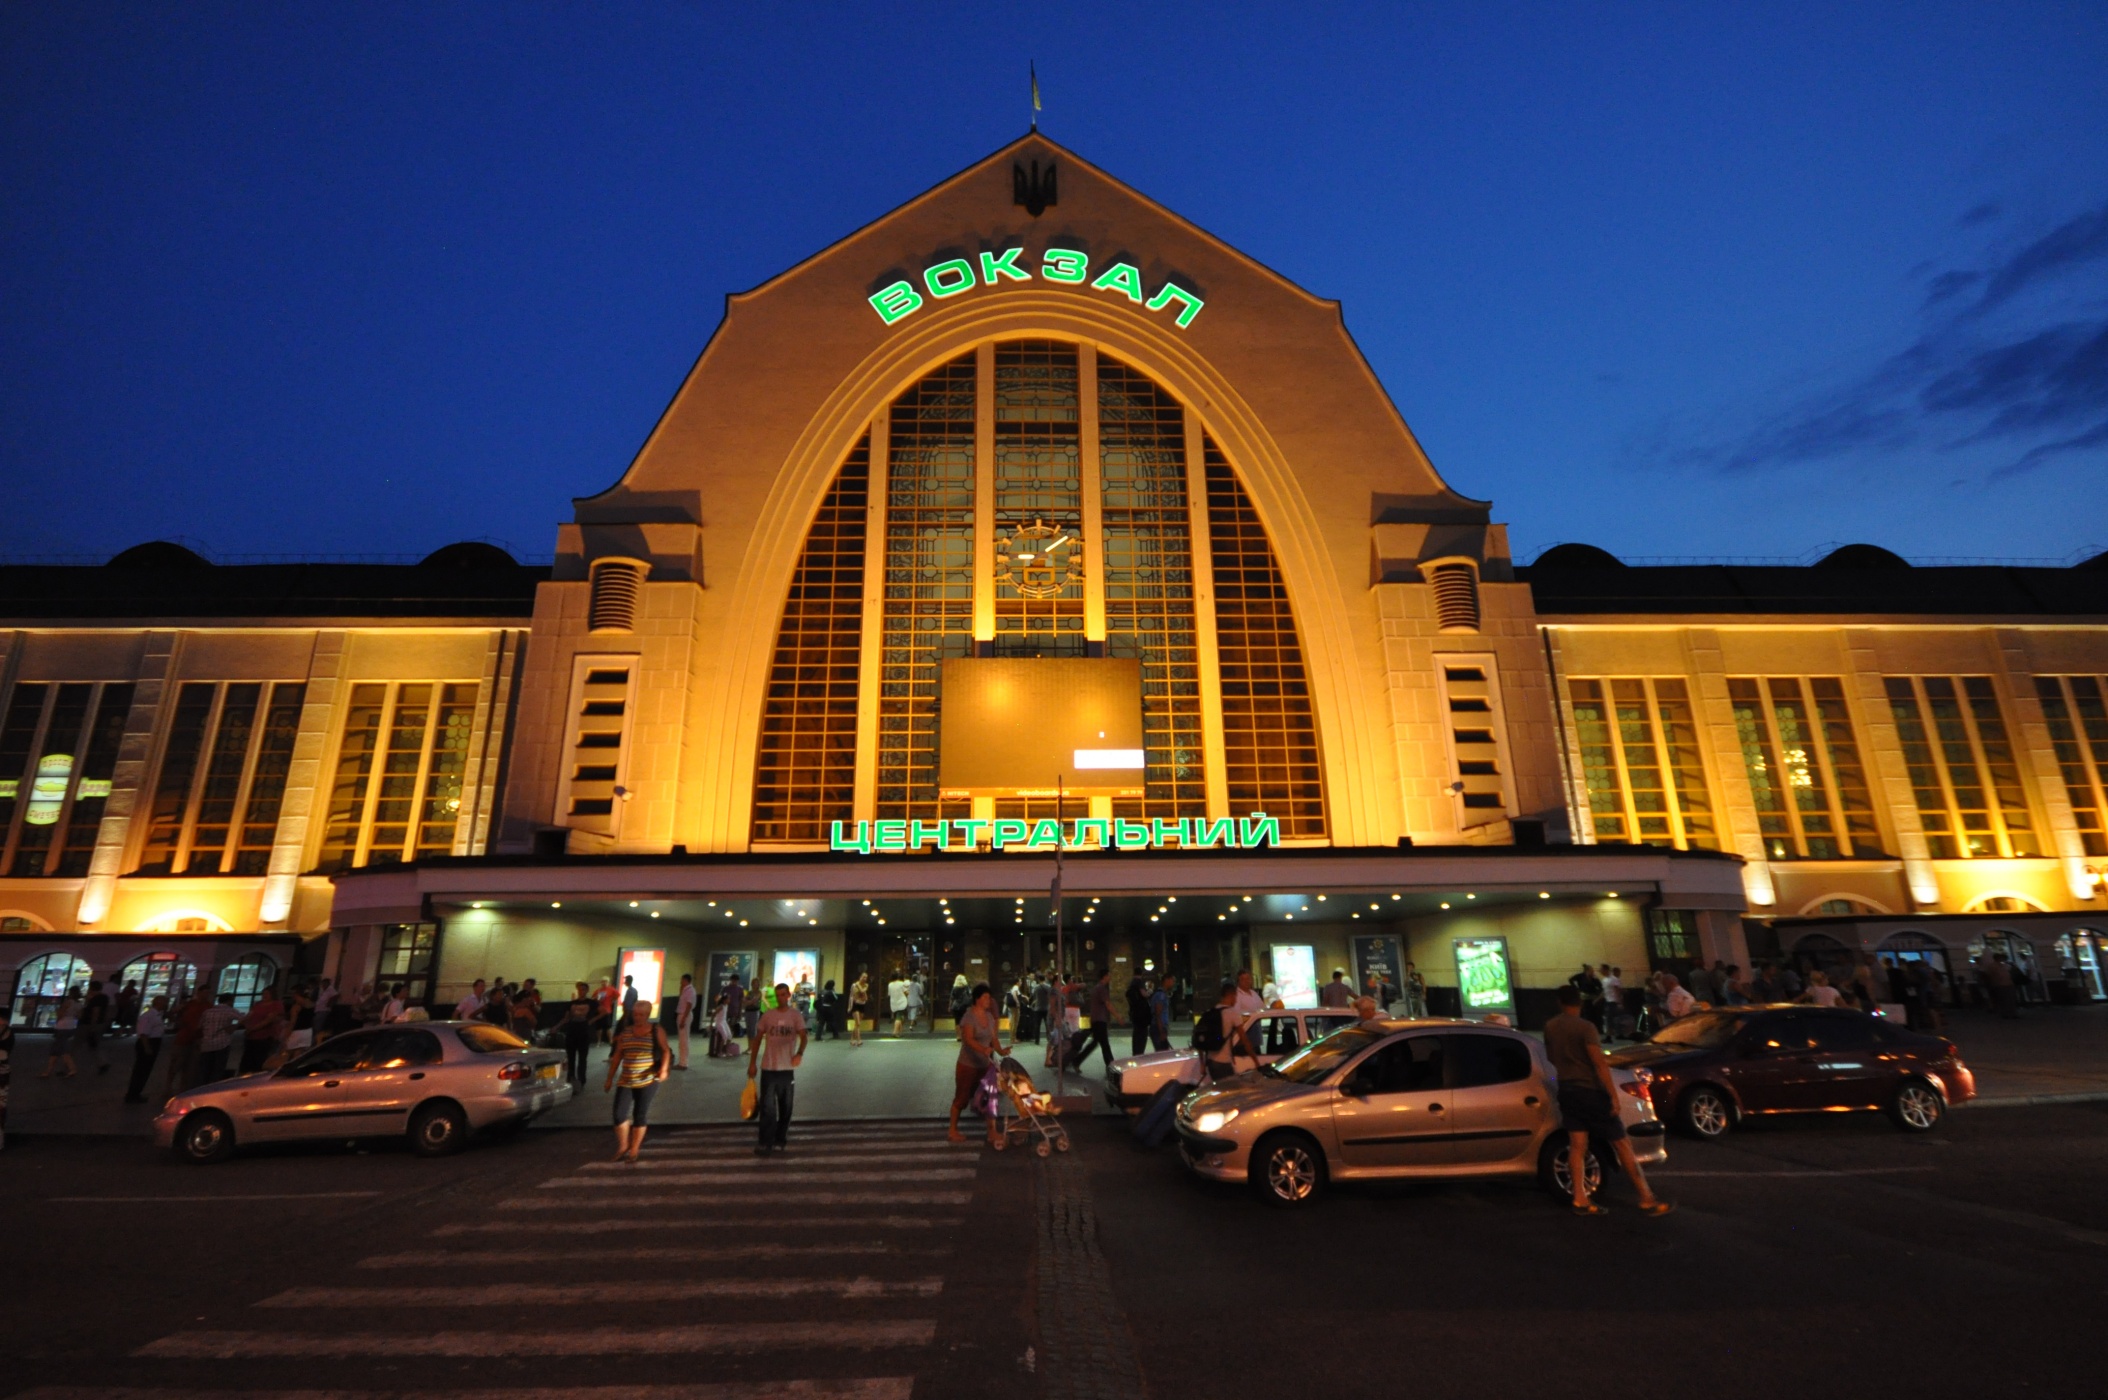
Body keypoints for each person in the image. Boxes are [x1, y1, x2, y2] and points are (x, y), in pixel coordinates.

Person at [1546, 984, 1673, 1217]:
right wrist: (1613, 1096)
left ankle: (1580, 1199)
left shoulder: (1551, 1027)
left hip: (1567, 1090)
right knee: (1621, 1143)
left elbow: (1551, 1058)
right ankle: (1646, 1197)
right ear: (1580, 1002)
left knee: (1577, 1145)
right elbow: (1599, 1063)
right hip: (1591, 1091)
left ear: (1559, 1002)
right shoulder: (1586, 1027)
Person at [604, 998, 670, 1164]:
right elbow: (618, 1055)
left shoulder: (656, 1030)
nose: (637, 1017)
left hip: (648, 1079)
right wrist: (610, 1078)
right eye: (635, 1014)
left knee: (639, 1115)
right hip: (626, 1079)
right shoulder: (626, 1032)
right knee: (619, 1115)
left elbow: (666, 1050)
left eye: (641, 1015)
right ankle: (623, 1145)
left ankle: (634, 1149)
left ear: (647, 1015)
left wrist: (663, 1070)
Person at [748, 981, 808, 1156]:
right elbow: (758, 1039)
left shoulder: (796, 1016)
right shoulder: (768, 1016)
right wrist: (752, 1063)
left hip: (787, 1069)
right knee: (767, 1108)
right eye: (778, 995)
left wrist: (799, 1053)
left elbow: (804, 1036)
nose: (781, 998)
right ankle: (765, 1141)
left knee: (786, 1107)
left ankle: (780, 1139)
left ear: (788, 995)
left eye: (784, 994)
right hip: (769, 1067)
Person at [949, 982, 1008, 1146]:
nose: (989, 1000)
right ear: (977, 999)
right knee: (961, 1099)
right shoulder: (969, 1016)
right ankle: (952, 1130)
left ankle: (992, 1132)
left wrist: (1001, 1051)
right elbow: (968, 1039)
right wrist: (983, 1049)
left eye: (989, 997)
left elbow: (993, 1038)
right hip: (967, 1065)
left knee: (990, 1098)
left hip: (985, 1066)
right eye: (986, 997)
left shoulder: (989, 1017)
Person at [125, 994, 170, 1103]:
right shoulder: (148, 1015)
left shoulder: (158, 1015)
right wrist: (147, 1047)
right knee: (141, 1069)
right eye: (164, 1002)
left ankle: (136, 1092)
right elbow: (143, 1033)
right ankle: (133, 1094)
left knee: (145, 1070)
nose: (166, 1004)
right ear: (158, 1003)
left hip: (153, 1042)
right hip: (149, 1042)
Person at [240, 983, 285, 1073]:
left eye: (267, 994)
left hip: (265, 1035)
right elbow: (250, 1015)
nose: (264, 996)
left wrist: (252, 1028)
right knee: (248, 1058)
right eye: (263, 994)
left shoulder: (276, 1004)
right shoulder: (258, 1004)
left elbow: (268, 1020)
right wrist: (243, 1023)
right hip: (252, 1035)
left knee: (260, 1058)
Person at [1076, 968, 1115, 1071]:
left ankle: (1077, 1060)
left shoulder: (1097, 988)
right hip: (1100, 1020)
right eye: (1109, 974)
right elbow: (1108, 1004)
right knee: (1104, 1044)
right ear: (1105, 976)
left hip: (1096, 1019)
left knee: (1096, 1043)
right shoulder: (1102, 989)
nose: (1110, 977)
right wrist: (1118, 1016)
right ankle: (1111, 1066)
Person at [197, 993, 239, 1083]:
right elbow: (243, 1019)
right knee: (218, 1069)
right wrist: (234, 1026)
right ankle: (213, 1088)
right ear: (229, 1001)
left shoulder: (207, 1011)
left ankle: (201, 1088)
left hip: (206, 1044)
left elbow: (200, 1026)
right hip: (222, 1043)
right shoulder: (230, 1011)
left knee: (204, 1069)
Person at [40, 989, 81, 1078]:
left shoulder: (68, 1002)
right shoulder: (79, 1004)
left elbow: (60, 1013)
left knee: (60, 1049)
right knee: (59, 1049)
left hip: (63, 1026)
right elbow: (79, 1015)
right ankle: (49, 1071)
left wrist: (57, 1021)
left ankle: (71, 1069)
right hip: (72, 1025)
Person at [561, 981, 595, 1084]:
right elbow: (567, 1017)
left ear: (587, 990)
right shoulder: (572, 1003)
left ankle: (581, 1078)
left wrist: (591, 1021)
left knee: (582, 1057)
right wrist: (557, 1026)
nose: (581, 992)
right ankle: (571, 1076)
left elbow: (604, 1011)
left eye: (583, 989)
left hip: (583, 1031)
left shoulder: (591, 1002)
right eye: (579, 990)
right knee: (570, 1056)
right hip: (572, 1030)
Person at [671, 974, 698, 1066]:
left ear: (686, 980)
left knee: (684, 1040)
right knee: (682, 1039)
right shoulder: (685, 990)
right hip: (682, 1014)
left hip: (684, 1015)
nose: (680, 982)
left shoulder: (690, 990)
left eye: (682, 980)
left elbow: (689, 1005)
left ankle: (683, 1063)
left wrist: (683, 1019)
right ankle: (682, 1061)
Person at [1125, 973, 1153, 1056]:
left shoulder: (1130, 990)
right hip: (1142, 1018)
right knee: (1142, 1037)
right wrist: (1150, 991)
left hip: (1135, 1017)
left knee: (1136, 1036)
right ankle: (1139, 1055)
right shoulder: (1139, 985)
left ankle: (1136, 1054)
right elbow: (1145, 994)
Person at [1149, 973, 1174, 1051]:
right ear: (1167, 980)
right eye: (1172, 981)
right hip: (1158, 1028)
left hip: (1158, 1027)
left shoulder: (1160, 994)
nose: (1173, 983)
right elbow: (1158, 1014)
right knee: (1162, 1053)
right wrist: (1161, 1031)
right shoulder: (1161, 995)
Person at [1599, 966, 1624, 1038]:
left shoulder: (1613, 979)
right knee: (1610, 1019)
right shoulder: (1604, 980)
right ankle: (1616, 1034)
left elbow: (1618, 991)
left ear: (1606, 970)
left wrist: (1620, 1002)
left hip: (1613, 1001)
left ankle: (1610, 1036)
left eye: (1601, 970)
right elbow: (1604, 992)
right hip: (1608, 1001)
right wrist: (1597, 999)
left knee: (1610, 1019)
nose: (1600, 972)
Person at [593, 977, 619, 1043]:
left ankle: (610, 1040)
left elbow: (617, 995)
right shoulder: (598, 990)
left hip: (607, 1011)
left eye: (606, 981)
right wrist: (596, 998)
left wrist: (612, 1000)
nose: (604, 983)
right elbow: (593, 997)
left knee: (608, 1027)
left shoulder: (611, 989)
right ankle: (598, 1041)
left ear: (608, 982)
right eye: (603, 981)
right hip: (599, 1011)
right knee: (599, 1027)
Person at [847, 973, 870, 1048]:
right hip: (855, 1005)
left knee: (857, 1024)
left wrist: (859, 986)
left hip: (862, 1005)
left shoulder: (866, 985)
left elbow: (863, 993)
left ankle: (852, 1039)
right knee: (858, 1023)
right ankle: (859, 1040)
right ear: (860, 977)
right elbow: (853, 995)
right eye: (863, 977)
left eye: (866, 977)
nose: (864, 979)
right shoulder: (854, 985)